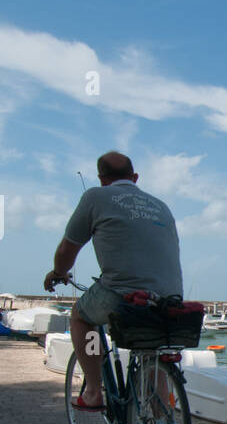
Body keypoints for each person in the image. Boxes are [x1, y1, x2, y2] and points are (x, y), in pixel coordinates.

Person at [43, 151, 183, 410]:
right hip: (169, 298)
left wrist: (58, 272)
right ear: (135, 177)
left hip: (122, 295)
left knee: (80, 317)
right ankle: (160, 423)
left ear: (101, 179)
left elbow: (66, 251)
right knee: (153, 346)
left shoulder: (95, 196)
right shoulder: (161, 206)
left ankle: (95, 391)